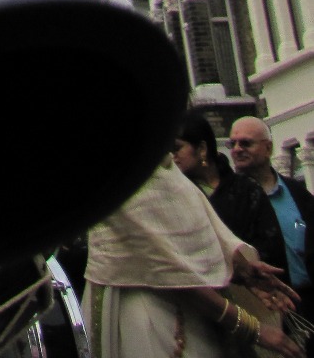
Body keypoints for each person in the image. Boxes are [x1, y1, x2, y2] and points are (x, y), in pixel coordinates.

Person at [86, 156, 299, 357]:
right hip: (146, 312)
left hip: (193, 312)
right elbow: (170, 270)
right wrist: (252, 329)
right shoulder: (128, 172)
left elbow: (198, 229)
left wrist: (242, 269)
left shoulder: (162, 166)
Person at [175, 111, 288, 277]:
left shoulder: (246, 190)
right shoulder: (177, 195)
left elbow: (272, 247)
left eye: (177, 148)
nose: (172, 156)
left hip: (258, 289)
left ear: (202, 149)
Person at [229, 117, 314, 318]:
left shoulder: (297, 194)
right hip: (264, 308)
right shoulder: (228, 200)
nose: (237, 149)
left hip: (308, 300)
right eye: (232, 144)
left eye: (246, 143)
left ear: (268, 148)